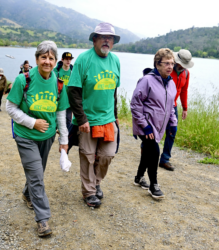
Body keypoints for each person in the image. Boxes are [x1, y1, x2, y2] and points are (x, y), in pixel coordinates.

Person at [6, 41, 69, 237]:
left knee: (37, 172)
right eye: (43, 57)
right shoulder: (23, 80)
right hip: (25, 135)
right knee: (37, 175)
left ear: (55, 61)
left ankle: (27, 194)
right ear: (36, 59)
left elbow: (60, 114)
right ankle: (43, 219)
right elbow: (10, 108)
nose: (47, 62)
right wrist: (32, 123)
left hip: (48, 137)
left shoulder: (59, 84)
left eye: (51, 58)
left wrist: (63, 141)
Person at [68, 23, 120, 208]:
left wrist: (115, 115)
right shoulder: (84, 59)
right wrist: (81, 118)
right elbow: (73, 90)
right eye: (103, 37)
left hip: (108, 119)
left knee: (107, 155)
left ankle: (96, 182)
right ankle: (89, 192)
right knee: (88, 156)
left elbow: (113, 91)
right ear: (95, 40)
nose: (107, 40)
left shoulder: (115, 61)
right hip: (87, 120)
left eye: (110, 38)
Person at [130, 48, 177, 199]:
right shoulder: (147, 81)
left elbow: (171, 106)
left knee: (148, 152)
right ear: (157, 64)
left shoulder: (171, 84)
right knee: (154, 151)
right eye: (166, 63)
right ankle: (153, 185)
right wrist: (145, 125)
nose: (170, 67)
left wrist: (173, 123)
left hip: (159, 127)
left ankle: (138, 178)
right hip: (146, 126)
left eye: (172, 63)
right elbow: (135, 104)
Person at [159, 49, 194, 171]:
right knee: (155, 129)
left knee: (172, 131)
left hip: (173, 106)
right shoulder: (166, 70)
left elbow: (184, 90)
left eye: (184, 65)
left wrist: (185, 107)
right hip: (160, 105)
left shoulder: (186, 73)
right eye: (180, 64)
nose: (181, 67)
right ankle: (146, 151)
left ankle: (165, 159)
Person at [54, 52, 74, 129]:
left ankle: (67, 137)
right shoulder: (56, 71)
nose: (68, 61)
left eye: (70, 59)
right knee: (57, 118)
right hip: (59, 99)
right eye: (66, 59)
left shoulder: (73, 71)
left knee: (68, 119)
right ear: (62, 60)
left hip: (69, 100)